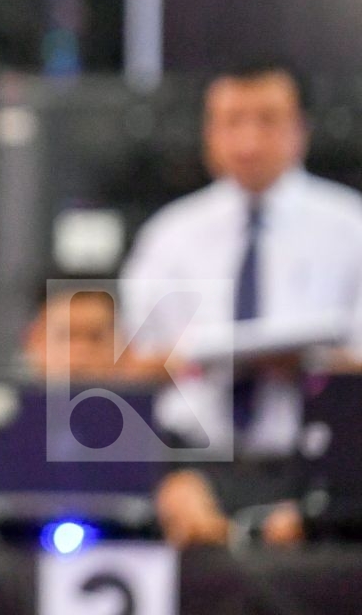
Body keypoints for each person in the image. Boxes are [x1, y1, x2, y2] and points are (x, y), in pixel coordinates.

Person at [120, 63, 362, 456]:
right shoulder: (168, 235)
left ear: (301, 129)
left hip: (318, 453)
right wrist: (194, 359)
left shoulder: (352, 228)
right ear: (208, 132)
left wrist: (309, 364)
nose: (248, 142)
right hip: (188, 455)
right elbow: (128, 365)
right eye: (232, 122)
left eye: (267, 121)